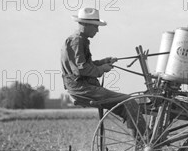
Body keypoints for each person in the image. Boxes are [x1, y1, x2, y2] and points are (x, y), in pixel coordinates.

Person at [61, 8, 144, 137]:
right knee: (129, 100)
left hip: (83, 86)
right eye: (96, 26)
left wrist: (104, 62)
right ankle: (145, 138)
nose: (97, 30)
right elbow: (81, 70)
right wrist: (101, 69)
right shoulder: (77, 41)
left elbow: (85, 65)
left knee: (127, 105)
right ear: (86, 24)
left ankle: (142, 140)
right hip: (83, 88)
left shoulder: (79, 40)